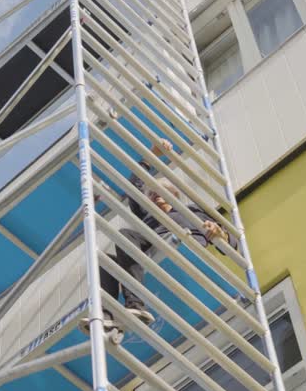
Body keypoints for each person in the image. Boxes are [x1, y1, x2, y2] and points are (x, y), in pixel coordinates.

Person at [95, 136, 229, 342]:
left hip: (180, 238)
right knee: (104, 260)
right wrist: (150, 156)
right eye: (152, 194)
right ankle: (108, 315)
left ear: (174, 196)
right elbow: (135, 185)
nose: (156, 195)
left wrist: (220, 233)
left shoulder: (190, 212)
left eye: (162, 192)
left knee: (126, 236)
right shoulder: (147, 217)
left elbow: (227, 240)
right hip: (152, 245)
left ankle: (134, 305)